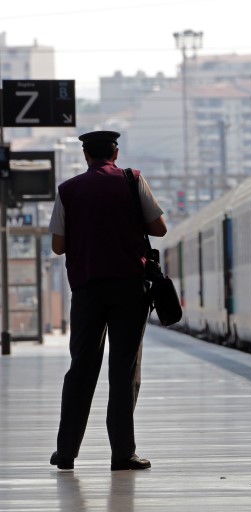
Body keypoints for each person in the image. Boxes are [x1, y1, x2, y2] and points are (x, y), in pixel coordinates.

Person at [48, 130, 167, 471]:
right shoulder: (132, 180)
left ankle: (66, 452)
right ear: (115, 152)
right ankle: (122, 453)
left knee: (81, 369)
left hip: (87, 289)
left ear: (86, 156)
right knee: (124, 370)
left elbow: (58, 246)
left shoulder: (68, 190)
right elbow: (159, 228)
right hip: (130, 287)